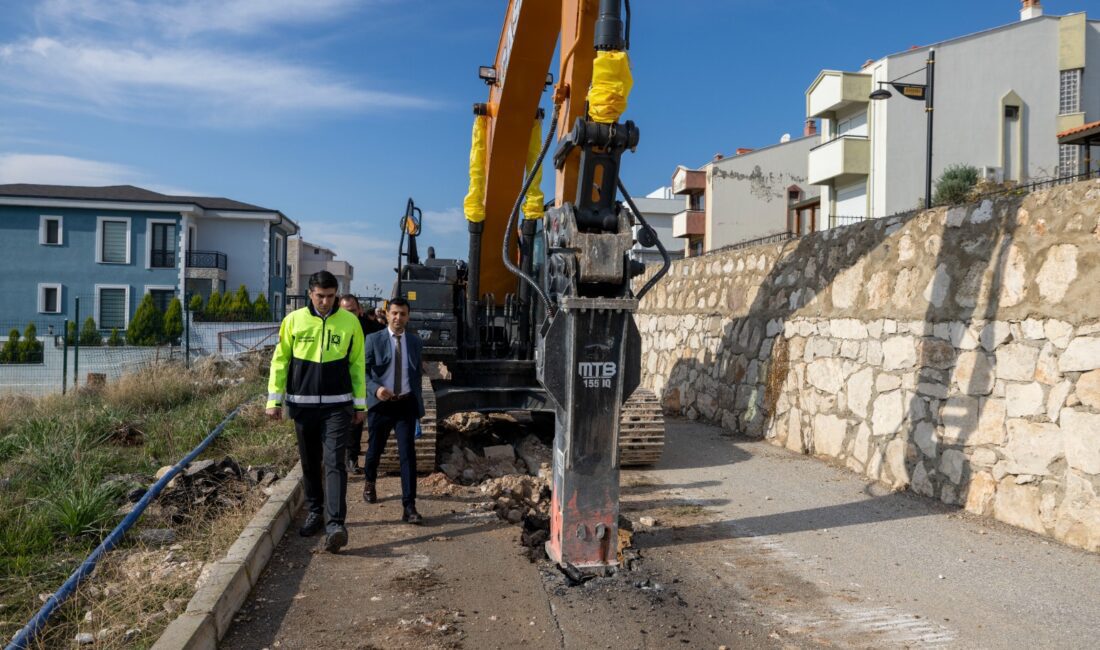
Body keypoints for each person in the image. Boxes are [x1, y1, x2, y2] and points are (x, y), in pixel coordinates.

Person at [267, 272, 366, 553]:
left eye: (330, 296)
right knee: (310, 462)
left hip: (338, 405)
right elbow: (280, 361)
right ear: (310, 293)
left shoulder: (350, 322)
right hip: (303, 404)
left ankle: (335, 524)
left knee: (335, 461)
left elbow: (358, 366)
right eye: (320, 296)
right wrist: (274, 401)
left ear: (337, 294)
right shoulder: (293, 321)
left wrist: (360, 406)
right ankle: (315, 511)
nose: (325, 301)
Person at [362, 297, 425, 524]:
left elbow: (416, 375)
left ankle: (409, 506)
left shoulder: (415, 342)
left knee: (408, 454)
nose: (398, 318)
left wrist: (418, 406)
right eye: (395, 313)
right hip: (381, 405)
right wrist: (375, 389)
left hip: (405, 404)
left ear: (408, 317)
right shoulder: (373, 340)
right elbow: (363, 372)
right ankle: (370, 481)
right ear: (387, 314)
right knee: (374, 450)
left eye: (403, 314)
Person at [338, 294, 370, 476]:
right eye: (344, 311)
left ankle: (352, 457)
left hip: (363, 382)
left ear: (360, 311)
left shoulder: (371, 330)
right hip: (339, 382)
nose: (348, 315)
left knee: (356, 422)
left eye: (352, 311)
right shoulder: (335, 329)